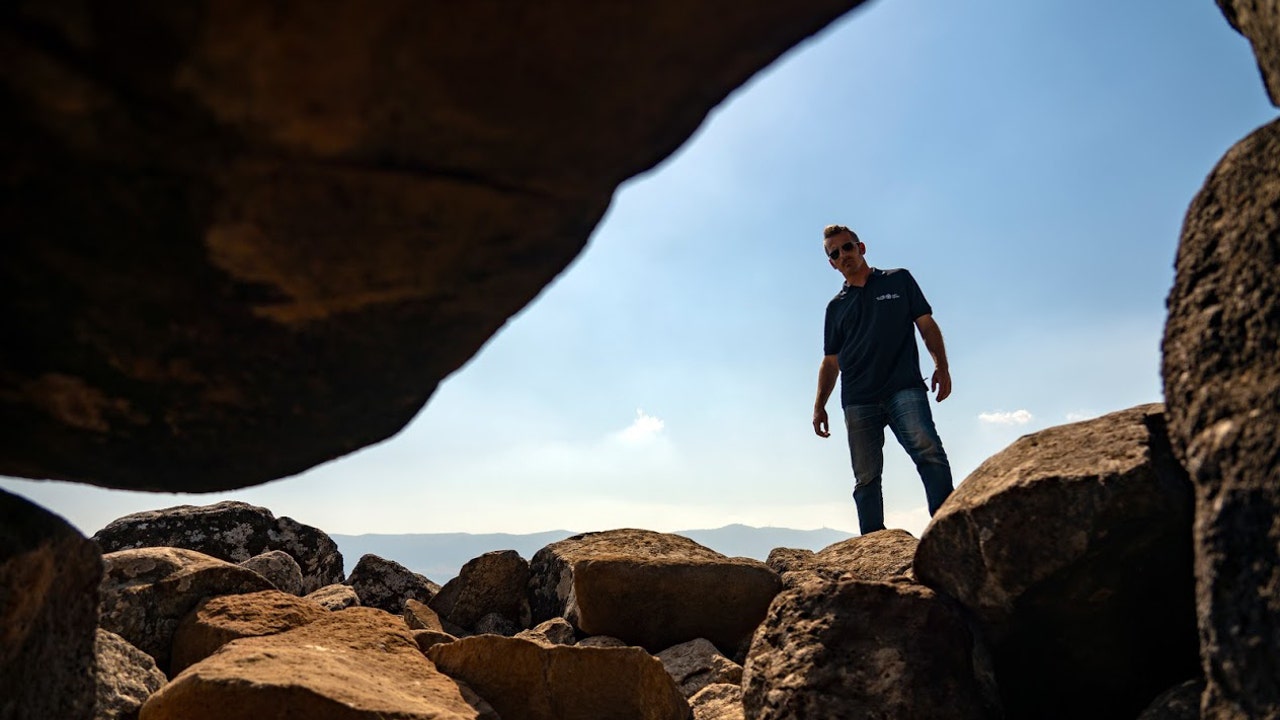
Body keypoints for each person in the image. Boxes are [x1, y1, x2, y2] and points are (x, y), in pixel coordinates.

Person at [811, 224, 954, 535]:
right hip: (858, 399)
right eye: (834, 254)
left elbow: (926, 324)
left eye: (847, 247)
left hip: (904, 387)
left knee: (928, 451)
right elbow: (831, 361)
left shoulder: (898, 279)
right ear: (832, 263)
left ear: (861, 248)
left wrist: (941, 366)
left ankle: (948, 532)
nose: (843, 255)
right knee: (866, 477)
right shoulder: (836, 307)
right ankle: (874, 545)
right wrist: (819, 406)